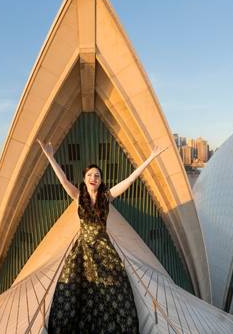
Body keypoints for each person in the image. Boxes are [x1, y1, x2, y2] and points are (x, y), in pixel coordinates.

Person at [36, 138, 167, 333]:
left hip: (104, 249)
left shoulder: (107, 197)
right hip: (82, 250)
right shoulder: (78, 196)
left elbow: (130, 179)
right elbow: (63, 179)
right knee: (73, 291)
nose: (93, 177)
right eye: (90, 174)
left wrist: (150, 158)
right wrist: (49, 157)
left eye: (97, 175)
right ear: (84, 179)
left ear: (101, 180)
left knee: (114, 289)